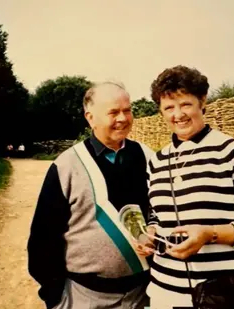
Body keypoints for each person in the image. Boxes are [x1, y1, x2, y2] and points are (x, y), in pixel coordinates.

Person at [136, 65, 234, 309]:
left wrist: (212, 233)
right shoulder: (157, 161)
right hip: (166, 294)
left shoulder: (233, 153)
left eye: (185, 104)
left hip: (227, 298)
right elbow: (157, 214)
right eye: (169, 107)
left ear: (202, 101)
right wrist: (152, 233)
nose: (178, 114)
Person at [27, 81, 155, 309]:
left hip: (142, 294)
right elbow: (43, 236)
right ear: (90, 118)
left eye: (127, 110)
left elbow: (162, 211)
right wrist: (55, 294)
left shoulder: (147, 157)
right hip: (83, 296)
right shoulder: (67, 165)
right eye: (113, 112)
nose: (123, 118)